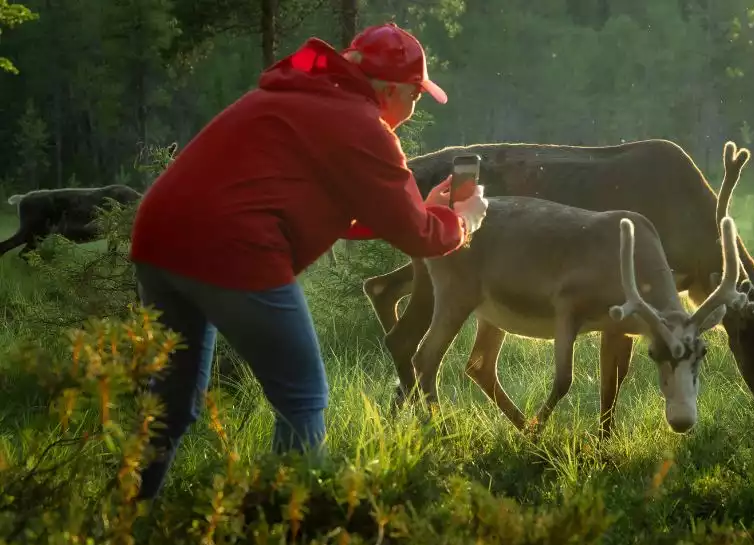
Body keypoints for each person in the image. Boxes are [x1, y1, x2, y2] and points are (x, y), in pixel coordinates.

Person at [128, 22, 489, 500]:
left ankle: (126, 517)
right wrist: (463, 221)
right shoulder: (360, 124)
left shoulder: (297, 96)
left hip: (157, 238)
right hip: (234, 248)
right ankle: (287, 527)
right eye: (415, 96)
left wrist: (421, 208)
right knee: (302, 398)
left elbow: (326, 201)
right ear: (389, 90)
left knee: (171, 401)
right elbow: (418, 235)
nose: (413, 106)